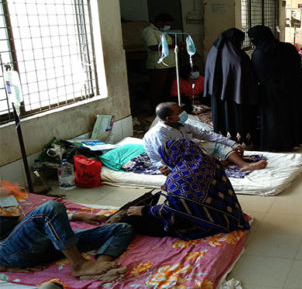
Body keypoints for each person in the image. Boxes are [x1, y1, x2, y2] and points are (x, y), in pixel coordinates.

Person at [123, 139, 250, 240]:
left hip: (205, 224)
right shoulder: (210, 161)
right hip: (229, 214)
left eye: (163, 157)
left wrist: (145, 211)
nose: (162, 161)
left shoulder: (179, 176)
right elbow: (197, 186)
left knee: (131, 220)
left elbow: (173, 208)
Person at [0, 191, 132, 281]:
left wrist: (78, 216)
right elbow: (45, 213)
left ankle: (100, 266)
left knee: (122, 228)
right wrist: (7, 267)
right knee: (51, 207)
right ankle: (79, 265)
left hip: (42, 243)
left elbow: (25, 220)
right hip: (7, 251)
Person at [143, 102, 267, 174]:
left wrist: (232, 143)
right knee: (197, 168)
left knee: (218, 145)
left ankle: (243, 164)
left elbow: (207, 134)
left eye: (181, 110)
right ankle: (221, 163)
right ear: (168, 119)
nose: (183, 113)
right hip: (171, 159)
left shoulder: (180, 124)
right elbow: (166, 158)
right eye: (178, 113)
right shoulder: (159, 134)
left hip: (189, 150)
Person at [247, 25, 302, 151]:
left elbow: (258, 75)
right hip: (292, 88)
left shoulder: (259, 53)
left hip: (271, 91)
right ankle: (293, 140)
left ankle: (277, 143)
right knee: (290, 115)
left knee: (274, 118)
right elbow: (297, 68)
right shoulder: (288, 48)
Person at [204, 28, 258, 147]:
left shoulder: (213, 51)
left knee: (221, 115)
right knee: (238, 117)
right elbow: (246, 74)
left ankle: (222, 140)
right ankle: (241, 141)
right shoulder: (238, 56)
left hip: (218, 94)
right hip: (236, 94)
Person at [142, 13, 176, 109]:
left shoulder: (161, 32)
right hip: (158, 65)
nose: (168, 26)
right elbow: (152, 46)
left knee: (168, 88)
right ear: (159, 22)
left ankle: (167, 109)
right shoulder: (149, 31)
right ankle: (155, 109)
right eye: (167, 24)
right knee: (157, 89)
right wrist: (172, 46)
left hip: (170, 64)